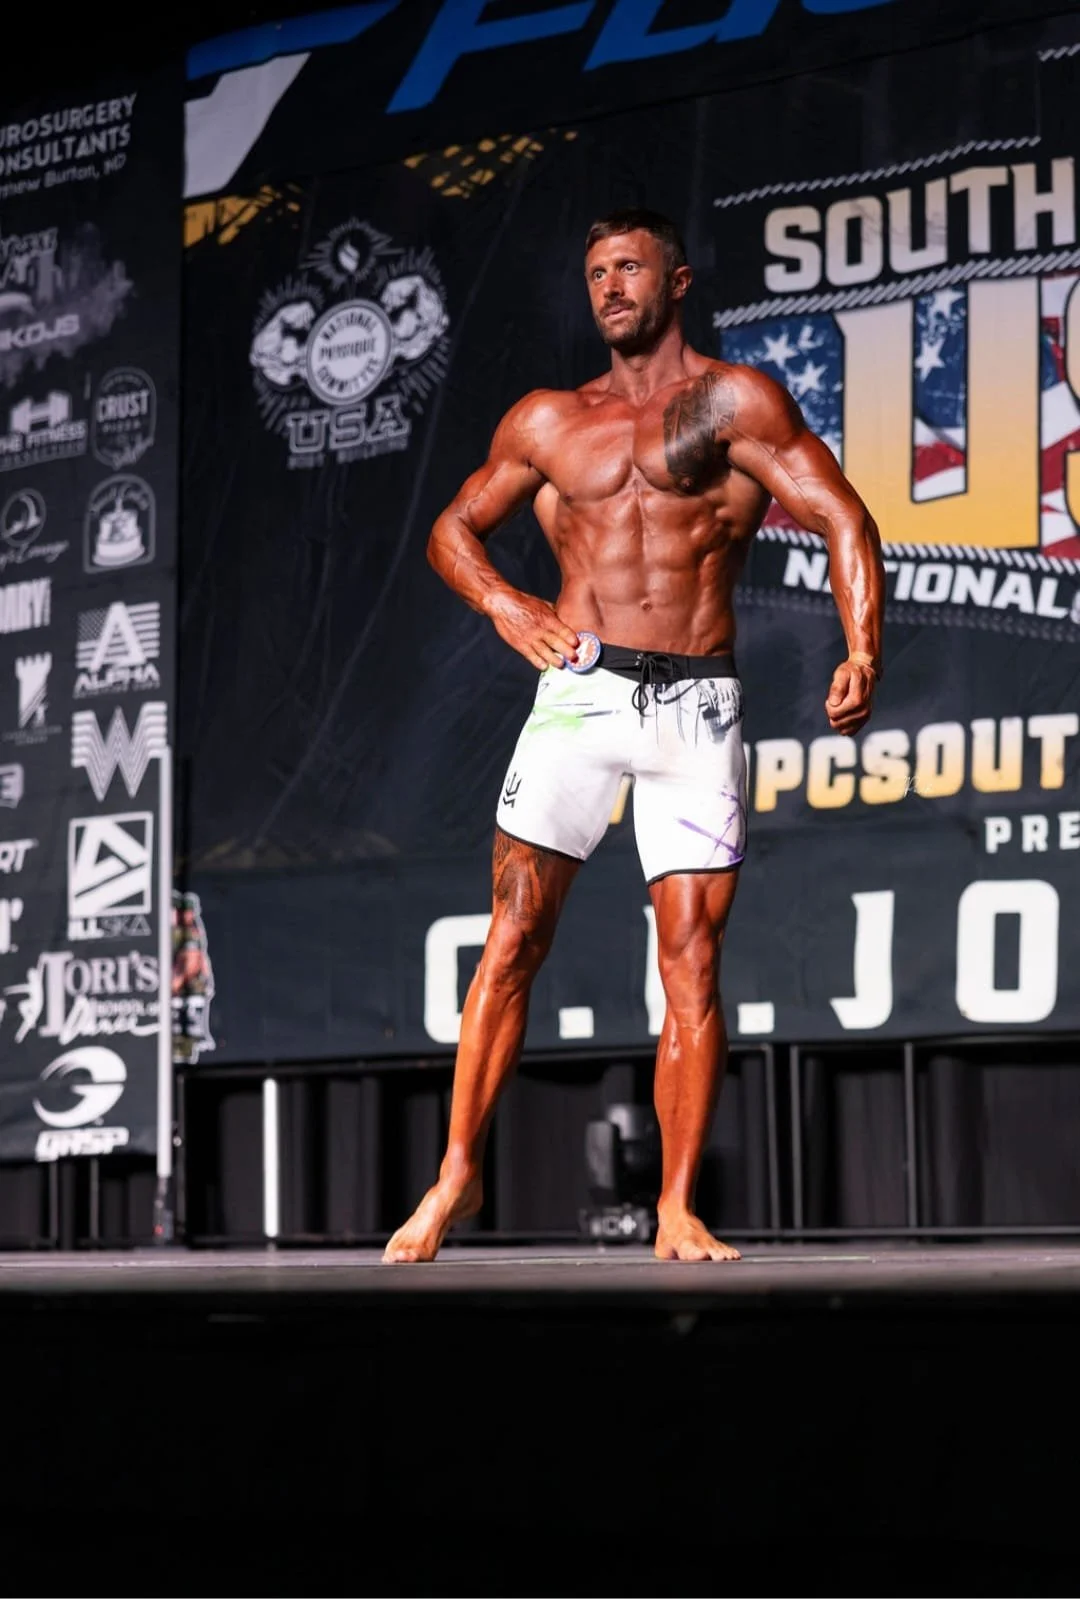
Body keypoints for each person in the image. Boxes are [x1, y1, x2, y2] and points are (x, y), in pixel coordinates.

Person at [384, 207, 885, 1264]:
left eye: (631, 268)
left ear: (679, 280)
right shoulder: (549, 422)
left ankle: (676, 1206)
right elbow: (451, 530)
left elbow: (844, 515)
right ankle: (455, 1178)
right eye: (597, 269)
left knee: (691, 965)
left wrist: (863, 648)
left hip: (697, 706)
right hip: (578, 692)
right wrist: (506, 606)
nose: (611, 285)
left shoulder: (733, 402)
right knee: (514, 936)